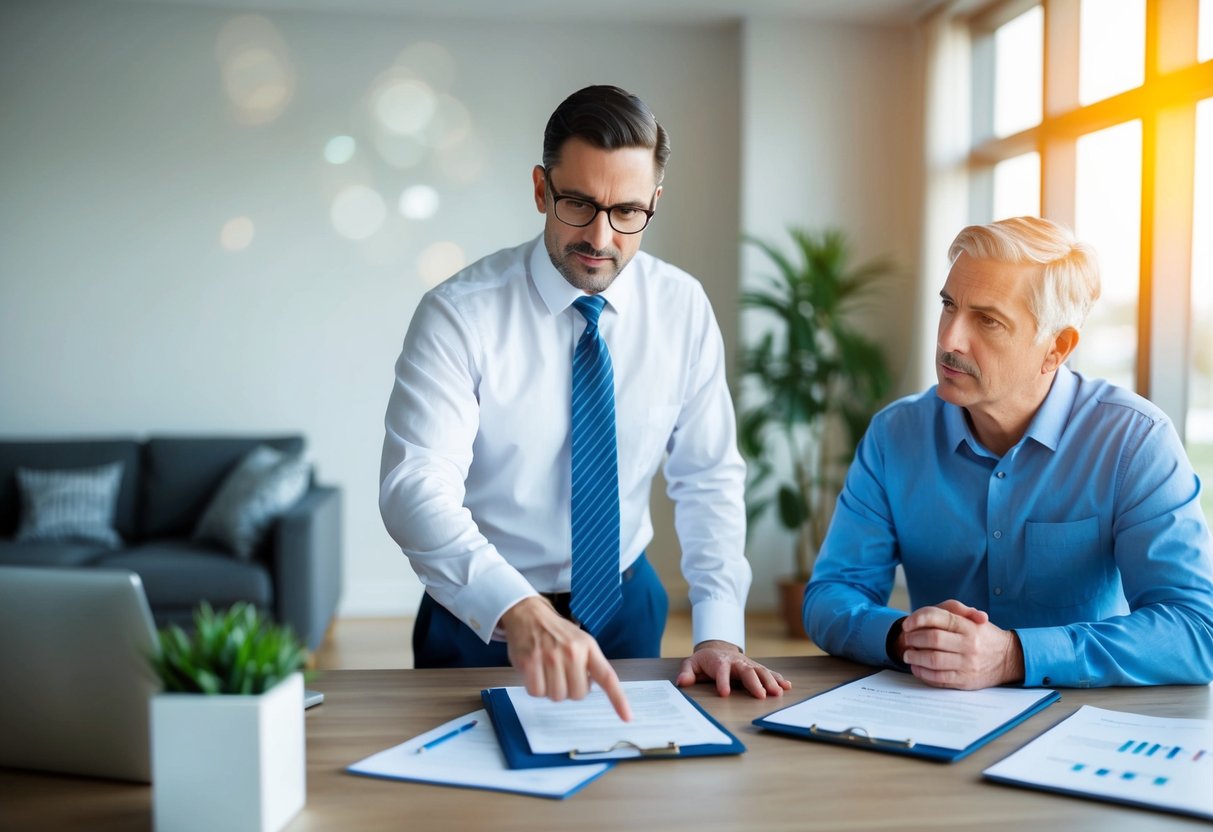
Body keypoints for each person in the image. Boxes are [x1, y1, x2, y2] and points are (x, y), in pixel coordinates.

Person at [380, 85, 790, 720]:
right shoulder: (457, 315)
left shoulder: (682, 308)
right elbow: (415, 486)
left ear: (654, 203)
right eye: (578, 205)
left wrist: (718, 631)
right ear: (542, 191)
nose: (601, 236)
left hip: (626, 606)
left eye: (627, 211)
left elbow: (708, 477)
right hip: (483, 616)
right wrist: (518, 610)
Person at [804, 216, 1213, 690]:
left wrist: (1014, 656)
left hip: (1081, 720)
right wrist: (905, 637)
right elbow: (830, 596)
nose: (949, 340)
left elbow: (1196, 629)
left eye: (987, 320)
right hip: (934, 715)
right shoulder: (894, 436)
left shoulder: (1133, 441)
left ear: (1056, 348)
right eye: (948, 305)